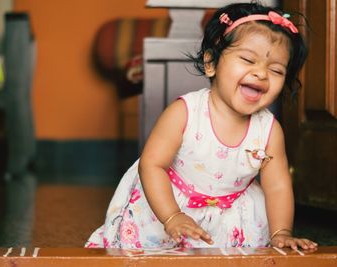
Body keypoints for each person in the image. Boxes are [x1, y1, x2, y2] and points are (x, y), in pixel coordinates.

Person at [86, 2, 318, 250]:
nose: (261, 73)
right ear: (211, 63)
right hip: (167, 205)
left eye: (276, 70)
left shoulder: (269, 130)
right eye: (248, 59)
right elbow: (152, 165)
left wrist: (281, 231)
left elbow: (277, 186)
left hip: (233, 216)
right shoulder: (185, 112)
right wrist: (172, 216)